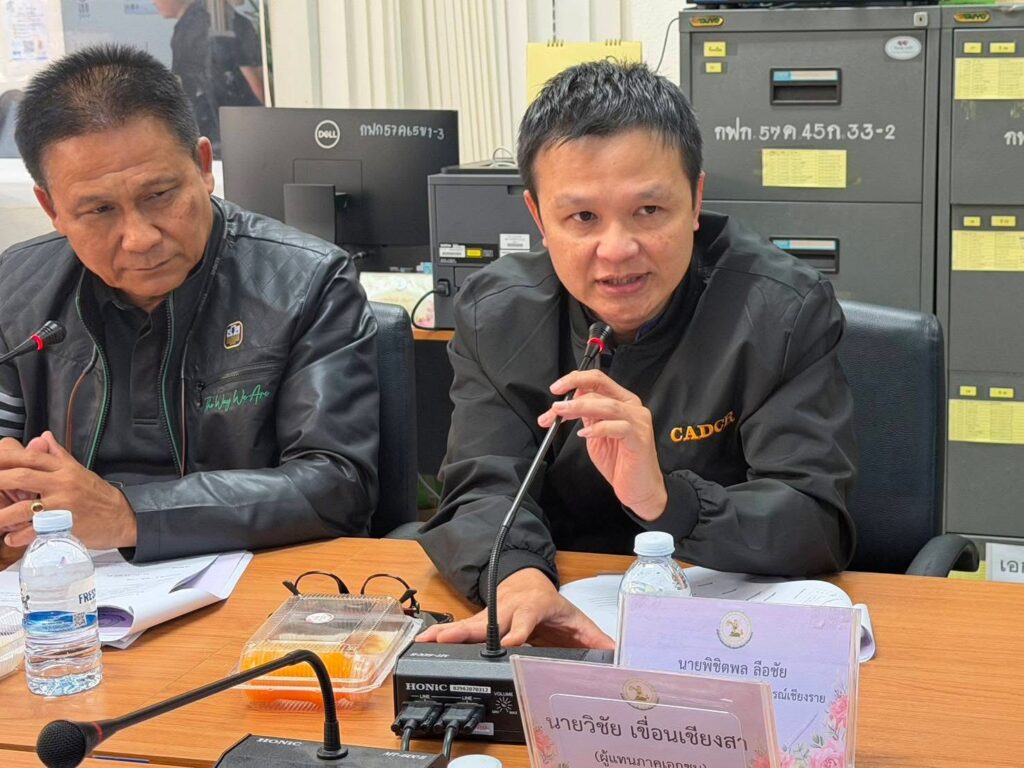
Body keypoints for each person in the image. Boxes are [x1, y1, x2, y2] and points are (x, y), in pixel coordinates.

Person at [417, 61, 857, 650]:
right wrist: (517, 579)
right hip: (561, 617)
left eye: (649, 211)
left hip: (725, 634)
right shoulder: (496, 314)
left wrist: (665, 500)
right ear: (538, 218)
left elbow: (814, 520)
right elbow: (481, 488)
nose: (618, 250)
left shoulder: (781, 311)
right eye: (582, 217)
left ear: (696, 200)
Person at [0, 45, 379, 562]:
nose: (139, 238)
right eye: (100, 210)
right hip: (64, 580)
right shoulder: (17, 285)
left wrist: (128, 514)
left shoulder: (306, 281)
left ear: (203, 166)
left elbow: (337, 485)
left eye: (159, 195)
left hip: (252, 576)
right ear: (52, 208)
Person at [152, 0, 263, 150]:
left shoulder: (196, 28)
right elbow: (260, 88)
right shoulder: (226, 23)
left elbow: (257, 86)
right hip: (234, 130)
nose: (153, 2)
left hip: (216, 132)